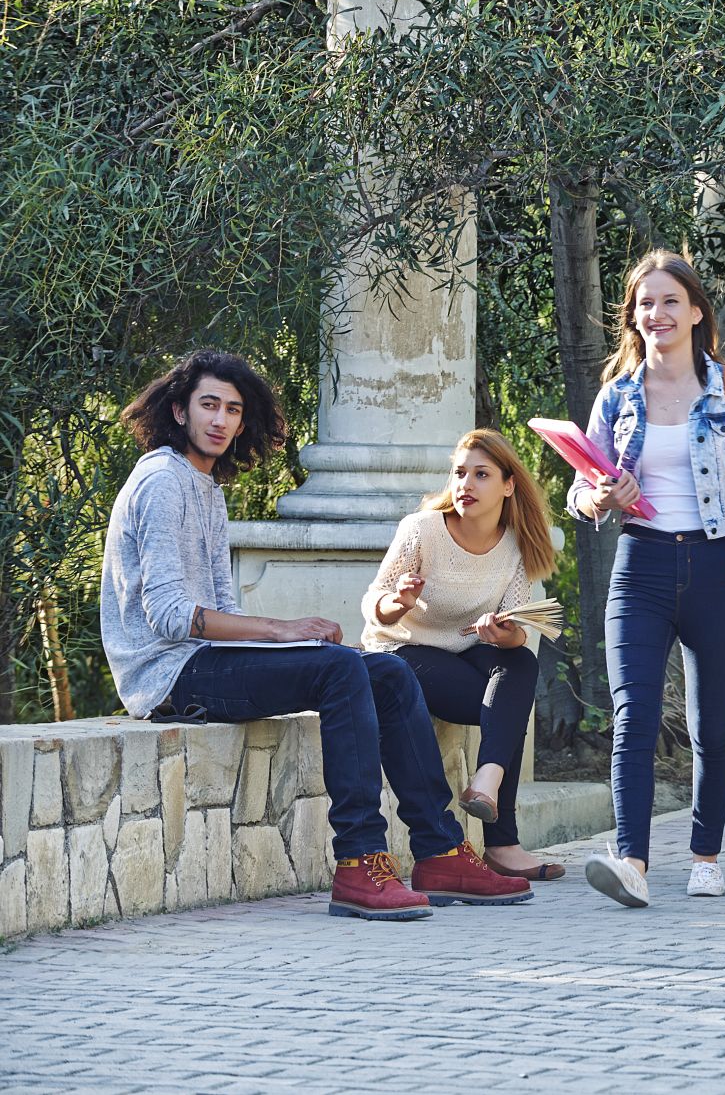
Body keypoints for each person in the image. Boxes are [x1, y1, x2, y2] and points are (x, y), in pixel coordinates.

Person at [99, 350, 532, 919]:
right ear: (179, 411)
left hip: (205, 659)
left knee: (387, 669)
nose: (221, 420)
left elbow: (220, 608)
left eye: (233, 409)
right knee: (341, 668)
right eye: (209, 405)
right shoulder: (161, 481)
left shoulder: (204, 488)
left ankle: (441, 851)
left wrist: (296, 644)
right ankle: (359, 862)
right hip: (167, 676)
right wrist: (281, 629)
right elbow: (168, 613)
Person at [568, 252, 725, 908]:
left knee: (710, 723)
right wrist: (603, 495)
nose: (654, 314)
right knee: (633, 714)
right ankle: (631, 860)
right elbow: (581, 489)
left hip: (720, 565)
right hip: (642, 565)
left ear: (695, 311)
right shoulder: (620, 394)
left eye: (667, 302)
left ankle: (705, 854)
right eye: (643, 303)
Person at [362, 429, 565, 880]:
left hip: (470, 650)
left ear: (508, 485)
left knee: (522, 662)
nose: (465, 484)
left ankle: (487, 783)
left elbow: (516, 638)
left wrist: (504, 632)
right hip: (401, 649)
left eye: (481, 474)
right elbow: (374, 602)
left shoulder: (518, 544)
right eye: (459, 473)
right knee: (506, 710)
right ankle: (503, 841)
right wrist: (401, 601)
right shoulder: (423, 531)